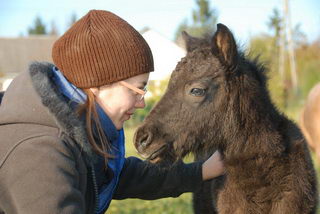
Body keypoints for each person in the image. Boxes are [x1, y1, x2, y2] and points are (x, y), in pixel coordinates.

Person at [0, 10, 224, 214]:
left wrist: (201, 171)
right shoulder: (40, 152)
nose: (141, 103)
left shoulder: (77, 127)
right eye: (138, 88)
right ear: (97, 83)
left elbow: (118, 176)